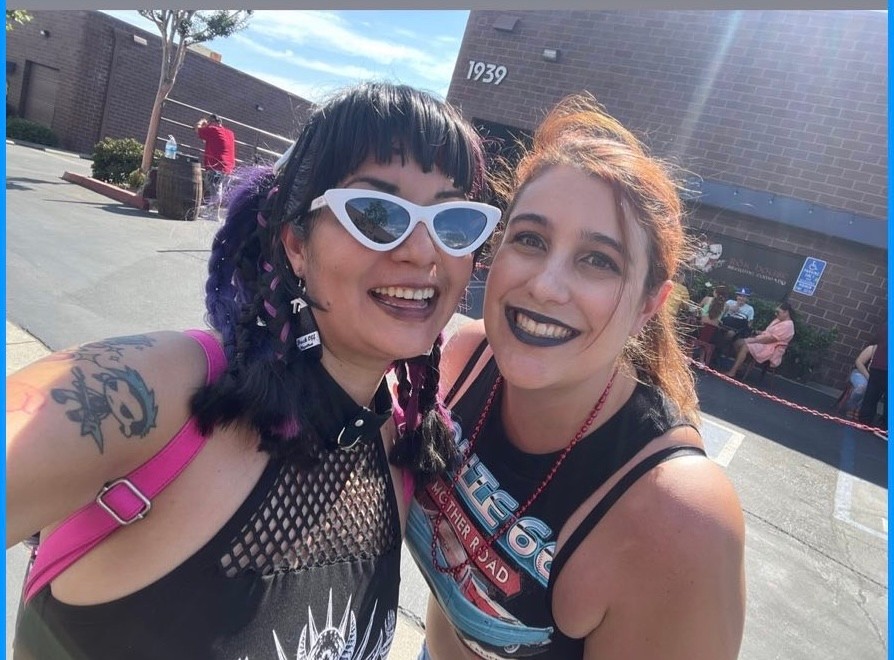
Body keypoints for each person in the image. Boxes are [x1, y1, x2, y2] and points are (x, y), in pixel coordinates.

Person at [7, 82, 500, 659]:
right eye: (376, 214)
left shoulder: (396, 442)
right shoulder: (162, 392)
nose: (422, 251)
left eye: (453, 221)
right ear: (296, 244)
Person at [406, 93, 745, 659]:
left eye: (598, 260)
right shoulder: (463, 359)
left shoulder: (680, 520)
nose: (545, 285)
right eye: (530, 239)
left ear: (647, 306)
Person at [724, 302, 796, 378]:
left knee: (745, 346)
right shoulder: (778, 320)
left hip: (771, 348)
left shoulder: (788, 325)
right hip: (763, 341)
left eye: (778, 312)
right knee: (737, 343)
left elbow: (771, 339)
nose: (776, 314)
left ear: (786, 312)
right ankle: (740, 365)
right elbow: (768, 333)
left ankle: (733, 371)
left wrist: (753, 340)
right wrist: (759, 333)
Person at [195, 113, 236, 201]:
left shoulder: (213, 129)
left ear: (212, 122)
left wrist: (201, 122)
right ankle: (214, 208)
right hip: (229, 168)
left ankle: (214, 209)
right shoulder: (230, 133)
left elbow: (198, 130)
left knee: (214, 191)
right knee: (218, 191)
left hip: (217, 167)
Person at [858, 322, 887, 430]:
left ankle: (865, 421)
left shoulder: (886, 326)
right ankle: (885, 425)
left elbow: (878, 339)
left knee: (871, 396)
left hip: (878, 365)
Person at [843, 343, 877, 419]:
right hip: (860, 373)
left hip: (876, 379)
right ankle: (851, 407)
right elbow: (859, 362)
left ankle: (860, 409)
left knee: (874, 390)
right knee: (862, 387)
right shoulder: (873, 348)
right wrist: (868, 377)